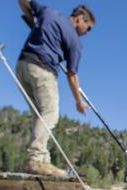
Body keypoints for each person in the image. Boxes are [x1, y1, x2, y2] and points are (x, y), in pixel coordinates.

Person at [16, 0, 95, 177]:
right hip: (43, 70)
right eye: (88, 28)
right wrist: (79, 102)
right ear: (80, 19)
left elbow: (23, 1)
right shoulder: (75, 41)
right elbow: (72, 74)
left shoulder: (48, 12)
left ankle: (44, 160)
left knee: (39, 115)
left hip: (22, 66)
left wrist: (33, 21)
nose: (87, 33)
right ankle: (36, 159)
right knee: (50, 114)